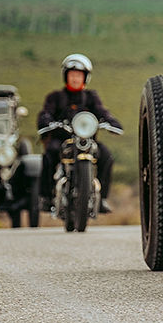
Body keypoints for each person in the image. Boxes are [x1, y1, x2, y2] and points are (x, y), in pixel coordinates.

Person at [37, 53, 122, 213]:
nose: (75, 79)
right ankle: (46, 197)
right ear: (65, 76)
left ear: (85, 78)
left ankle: (102, 198)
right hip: (63, 140)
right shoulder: (56, 97)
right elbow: (45, 113)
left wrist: (111, 121)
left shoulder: (91, 97)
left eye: (79, 75)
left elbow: (102, 112)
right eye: (72, 75)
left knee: (106, 155)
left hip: (87, 140)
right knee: (50, 154)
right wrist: (47, 122)